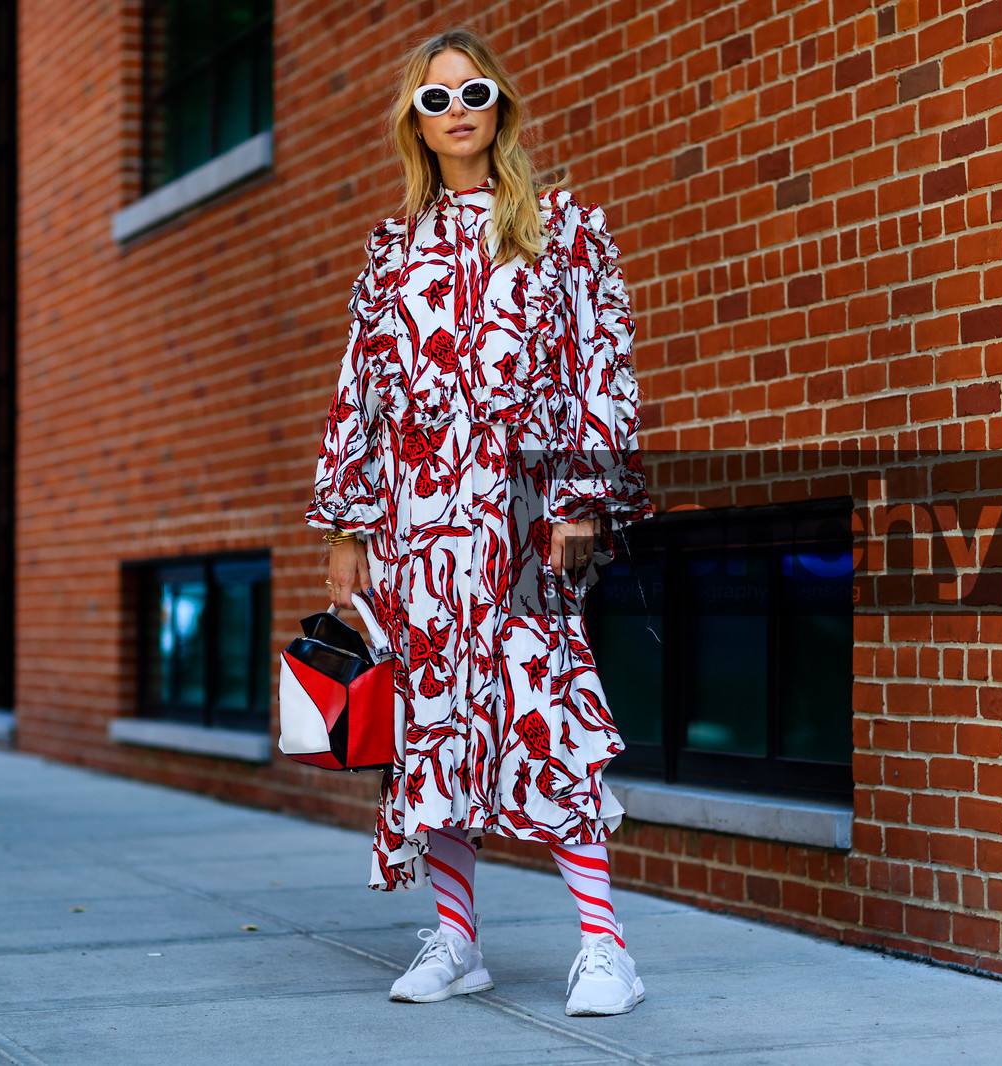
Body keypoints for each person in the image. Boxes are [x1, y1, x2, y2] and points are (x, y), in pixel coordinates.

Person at [304, 28, 653, 1016]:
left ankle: (606, 950)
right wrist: (345, 528)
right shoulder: (392, 251)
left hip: (528, 518)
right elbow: (359, 394)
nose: (456, 111)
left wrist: (581, 499)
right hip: (419, 528)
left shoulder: (565, 230)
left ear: (501, 107)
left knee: (547, 713)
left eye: (473, 92)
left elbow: (604, 366)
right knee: (435, 725)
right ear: (414, 124)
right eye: (435, 99)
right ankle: (457, 939)